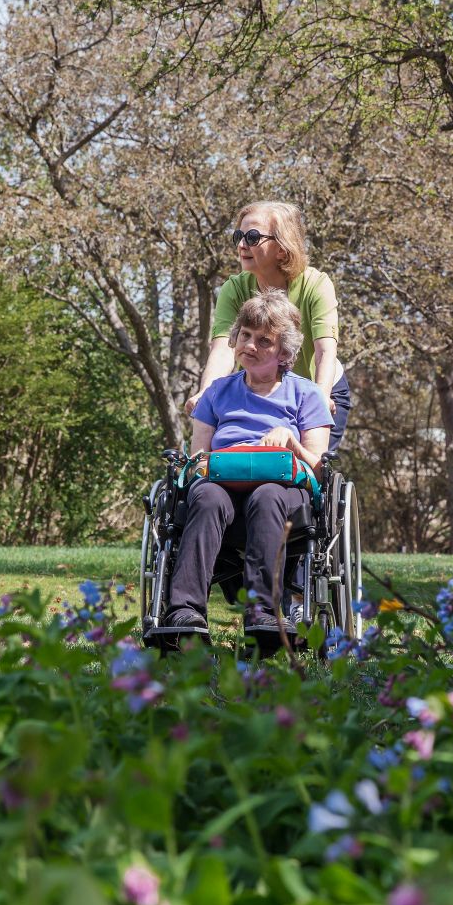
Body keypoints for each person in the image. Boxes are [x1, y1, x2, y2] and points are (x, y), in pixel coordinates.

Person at [165, 289, 332, 638]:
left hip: (283, 496)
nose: (250, 346)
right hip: (222, 490)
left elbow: (318, 472)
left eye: (263, 340)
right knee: (206, 496)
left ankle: (263, 613)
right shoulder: (216, 393)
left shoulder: (307, 395)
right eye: (245, 335)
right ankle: (184, 613)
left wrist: (293, 444)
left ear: (284, 352)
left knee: (267, 495)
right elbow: (198, 462)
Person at [185, 201, 350, 455]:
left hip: (316, 387)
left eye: (252, 237)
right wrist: (206, 393)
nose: (242, 245)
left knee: (309, 480)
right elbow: (223, 350)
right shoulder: (234, 289)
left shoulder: (316, 285)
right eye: (239, 236)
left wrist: (320, 396)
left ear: (282, 249)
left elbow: (325, 352)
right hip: (258, 388)